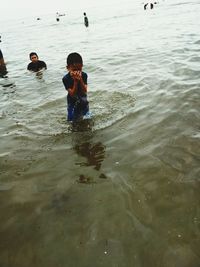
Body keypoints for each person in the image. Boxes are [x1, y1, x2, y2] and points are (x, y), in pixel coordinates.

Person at [62, 52, 90, 121]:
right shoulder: (66, 78)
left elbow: (84, 90)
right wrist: (75, 82)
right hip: (72, 102)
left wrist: (80, 80)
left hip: (83, 100)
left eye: (79, 69)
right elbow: (72, 94)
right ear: (68, 68)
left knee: (87, 118)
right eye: (74, 70)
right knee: (71, 121)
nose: (77, 72)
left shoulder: (84, 75)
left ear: (82, 66)